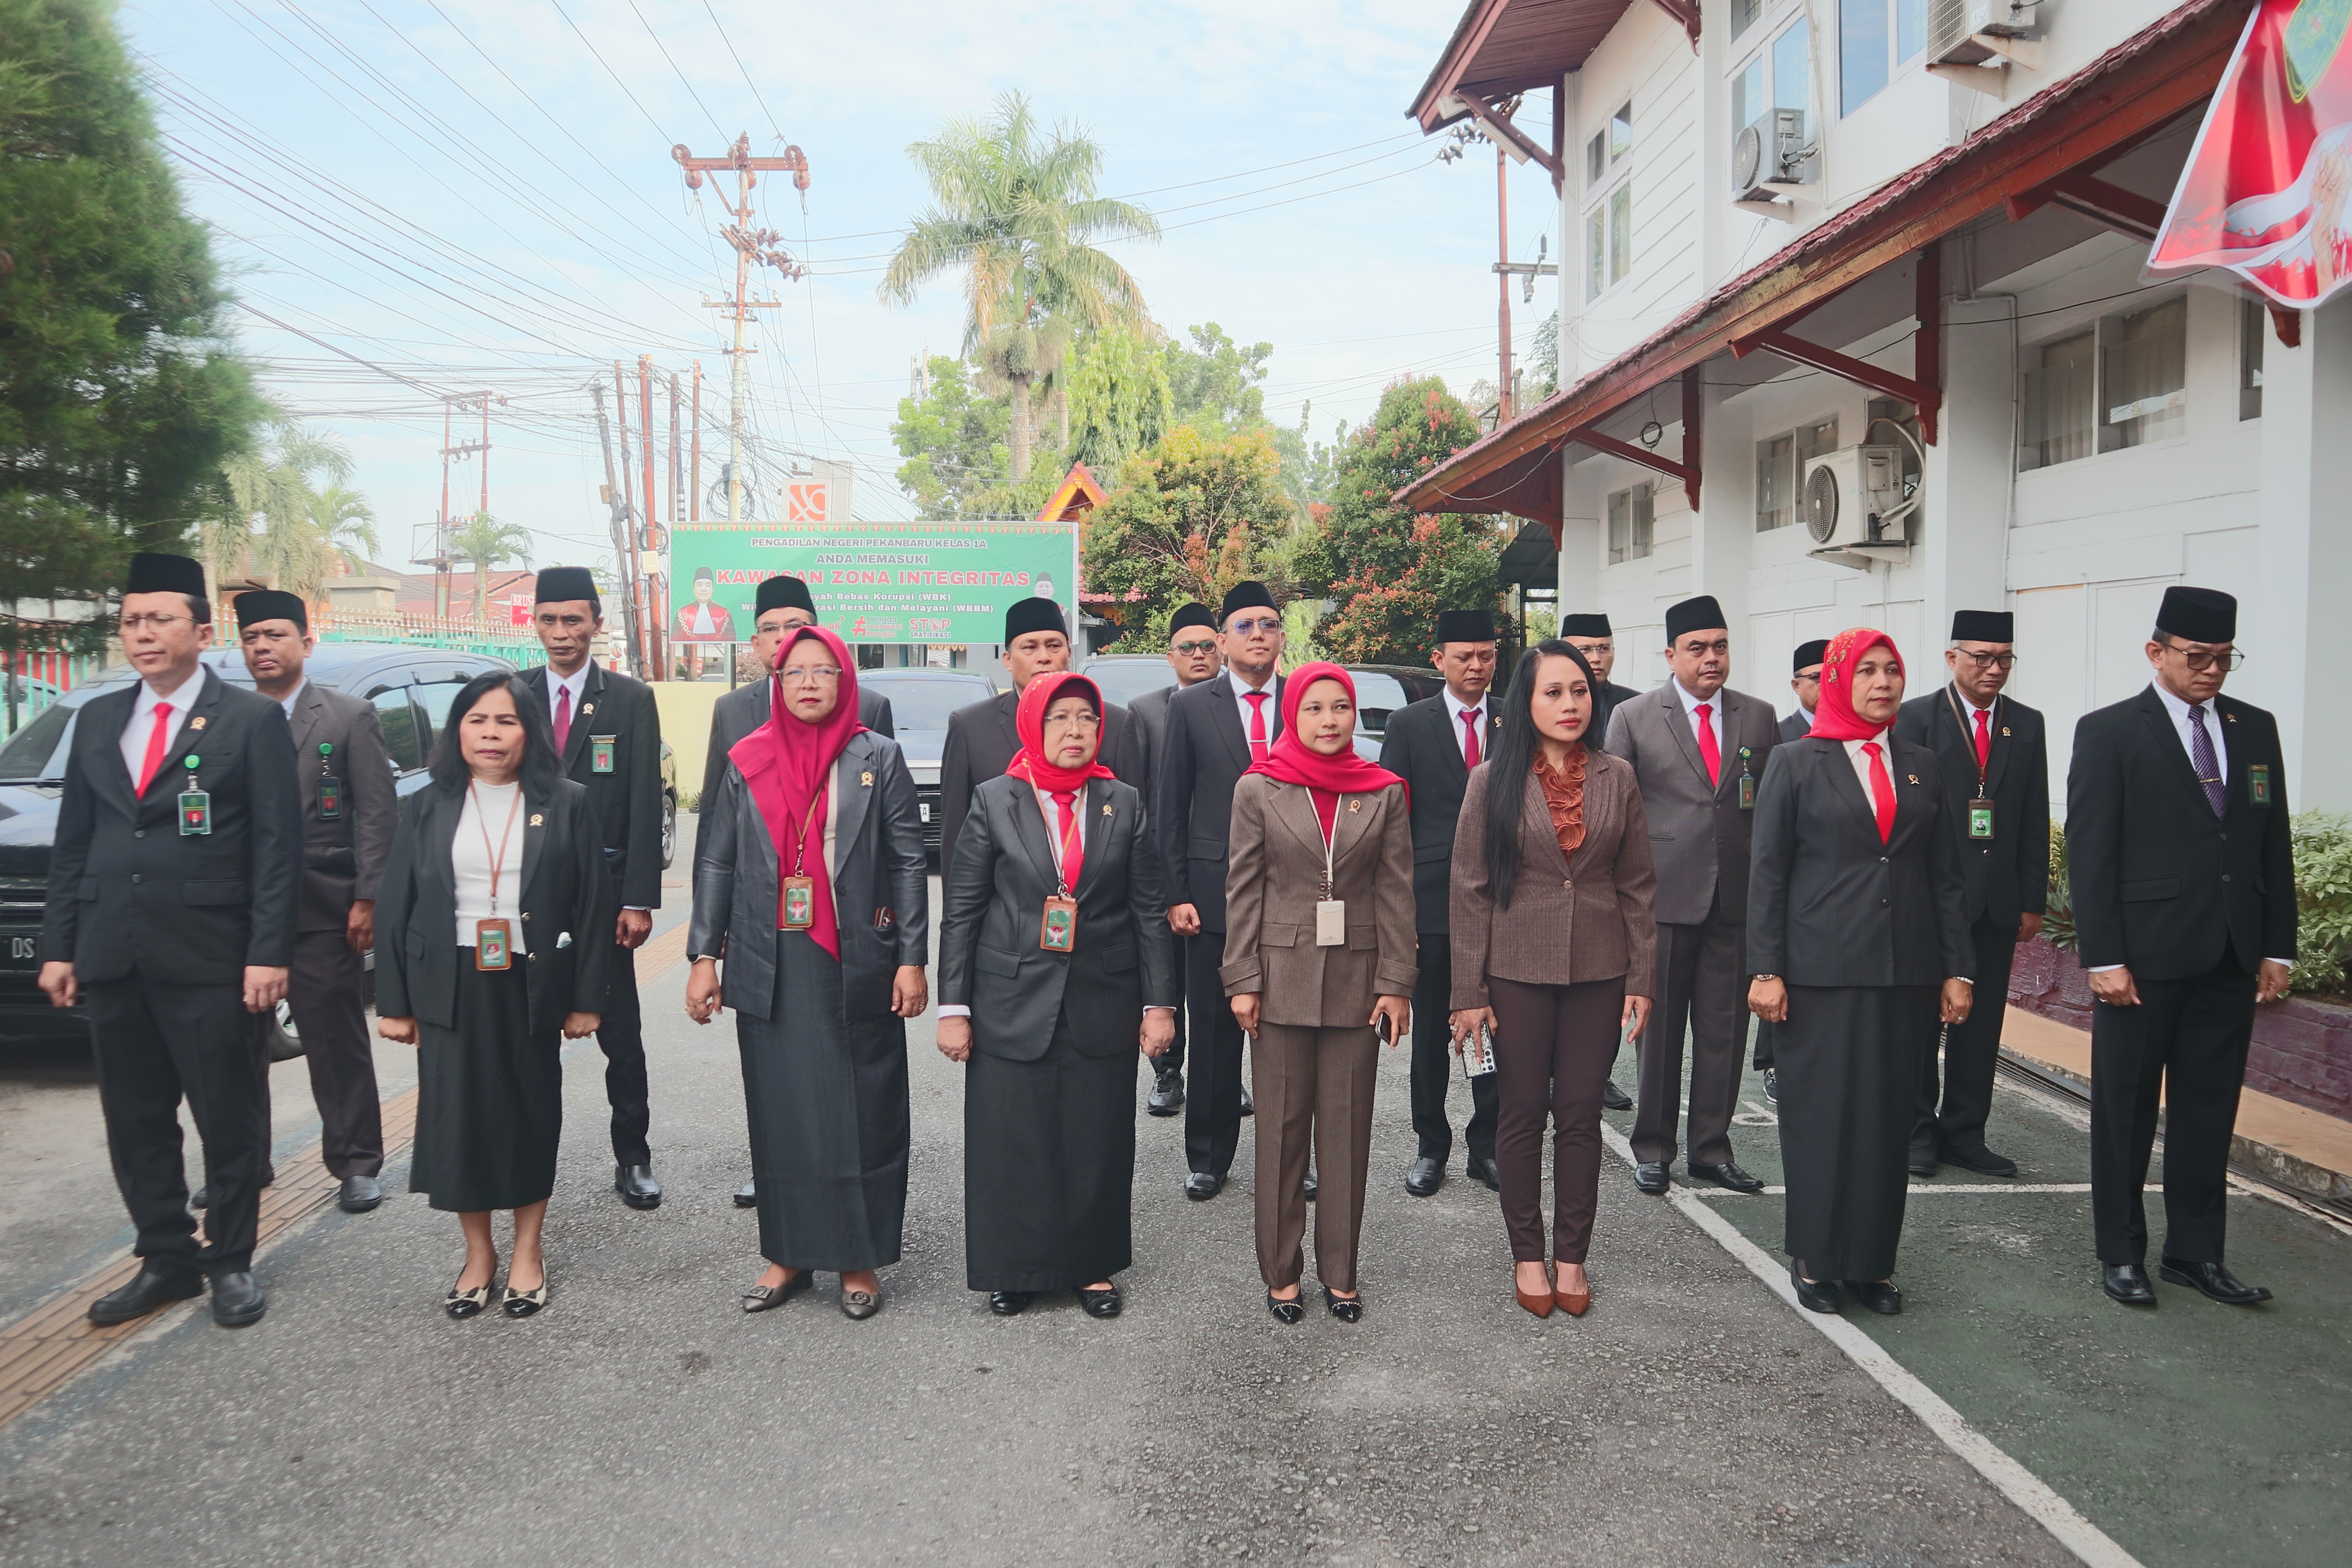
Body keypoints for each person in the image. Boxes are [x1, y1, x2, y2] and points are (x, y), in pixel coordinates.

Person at [42, 553, 299, 1330]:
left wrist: (268, 952)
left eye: (159, 619)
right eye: (131, 621)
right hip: (114, 953)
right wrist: (61, 945)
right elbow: (75, 841)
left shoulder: (248, 720)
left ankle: (230, 1260)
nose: (143, 633)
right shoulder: (98, 719)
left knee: (228, 1116)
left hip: (211, 955)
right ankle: (166, 1256)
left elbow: (277, 848)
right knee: (135, 1117)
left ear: (202, 631)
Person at [686, 626, 929, 1321]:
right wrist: (704, 956)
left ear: (845, 681)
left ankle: (857, 1258)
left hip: (856, 956)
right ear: (778, 683)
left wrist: (911, 958)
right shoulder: (748, 758)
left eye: (825, 671)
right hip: (770, 958)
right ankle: (787, 1254)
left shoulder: (877, 756)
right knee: (781, 1111)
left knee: (862, 1110)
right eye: (795, 672)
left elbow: (908, 860)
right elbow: (717, 860)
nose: (810, 683)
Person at [2066, 586, 2294, 1309]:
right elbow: (2091, 853)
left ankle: (2196, 1254)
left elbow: (2272, 841)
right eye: (2198, 657)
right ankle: (2122, 1254)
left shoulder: (2254, 728)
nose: (2212, 671)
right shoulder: (2109, 731)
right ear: (2156, 652)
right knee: (2126, 1112)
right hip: (2142, 960)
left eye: (2224, 658)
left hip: (2229, 956)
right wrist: (2103, 957)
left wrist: (2278, 944)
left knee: (2208, 1111)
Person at [936, 671, 1179, 1316]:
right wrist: (953, 1008)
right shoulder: (995, 800)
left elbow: (1148, 911)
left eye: (1087, 719)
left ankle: (1091, 1266)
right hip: (1009, 999)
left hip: (1102, 995)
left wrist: (1160, 1005)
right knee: (1011, 1137)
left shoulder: (1122, 802)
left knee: (1095, 1138)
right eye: (1060, 718)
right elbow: (962, 912)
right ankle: (1013, 1266)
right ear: (1032, 725)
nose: (1076, 731)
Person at [1747, 628, 1973, 1317]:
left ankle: (1872, 1263)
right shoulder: (1795, 762)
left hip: (1904, 971)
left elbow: (1945, 875)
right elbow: (1769, 873)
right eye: (1867, 671)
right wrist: (1766, 969)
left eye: (1892, 670)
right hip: (1818, 972)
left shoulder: (1922, 764)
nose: (1883, 682)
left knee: (1887, 1119)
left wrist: (1958, 969)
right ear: (1839, 681)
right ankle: (1818, 1257)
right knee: (1822, 1117)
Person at [373, 674, 610, 1318]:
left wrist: (588, 999)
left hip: (531, 981)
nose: (491, 734)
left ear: (529, 732)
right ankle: (478, 1254)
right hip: (449, 982)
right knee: (459, 1121)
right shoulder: (428, 803)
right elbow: (396, 902)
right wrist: (393, 1003)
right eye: (477, 720)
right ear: (458, 730)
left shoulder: (566, 802)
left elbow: (593, 907)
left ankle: (529, 1250)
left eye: (506, 721)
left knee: (529, 1113)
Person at [1448, 642, 1656, 1317]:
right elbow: (1470, 889)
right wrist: (1468, 992)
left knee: (1580, 1114)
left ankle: (1573, 1256)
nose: (1571, 704)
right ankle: (1528, 1255)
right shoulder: (1491, 782)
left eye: (1580, 691)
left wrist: (1642, 976)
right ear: (1527, 703)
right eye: (1554, 692)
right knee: (1520, 1114)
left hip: (1601, 969)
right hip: (1515, 970)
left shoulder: (1618, 777)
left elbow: (1638, 885)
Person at [1220, 663, 1414, 1322]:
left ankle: (1340, 1273)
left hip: (1358, 983)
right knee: (1280, 1134)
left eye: (1340, 708)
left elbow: (1395, 893)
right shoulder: (1259, 787)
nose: (1329, 720)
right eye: (1314, 708)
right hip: (1279, 980)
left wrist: (1397, 984)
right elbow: (1243, 890)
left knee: (1346, 1134)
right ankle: (1281, 1273)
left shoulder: (1383, 791)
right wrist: (1242, 980)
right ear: (1292, 715)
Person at [699, 573, 895, 1210]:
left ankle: (846, 1204)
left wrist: (901, 947)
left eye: (799, 629)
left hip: (844, 927)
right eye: (773, 632)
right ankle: (780, 1187)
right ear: (758, 647)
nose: (787, 644)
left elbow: (888, 842)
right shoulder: (734, 715)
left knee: (846, 1069)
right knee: (776, 1073)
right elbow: (718, 840)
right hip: (766, 927)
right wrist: (707, 945)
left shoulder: (870, 718)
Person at [1605, 595, 1779, 1195]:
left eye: (1721, 647)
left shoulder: (1759, 717)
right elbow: (1615, 814)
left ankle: (1711, 1148)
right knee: (1658, 1034)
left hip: (1734, 902)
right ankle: (1653, 1148)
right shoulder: (1634, 717)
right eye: (1698, 648)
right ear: (1671, 655)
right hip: (1661, 901)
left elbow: (1771, 811)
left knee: (1725, 1033)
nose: (1712, 658)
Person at [235, 589, 399, 1215]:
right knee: (234, 1044)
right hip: (239, 911)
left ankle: (356, 1162)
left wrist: (368, 897)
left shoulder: (347, 717)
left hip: (323, 906)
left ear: (306, 641)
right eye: (252, 638)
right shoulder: (228, 718)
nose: (263, 647)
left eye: (275, 635)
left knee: (333, 1038)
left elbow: (377, 814)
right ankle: (244, 1160)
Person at [519, 567, 666, 1210]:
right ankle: (530, 1165)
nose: (561, 633)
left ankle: (633, 1158)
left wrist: (638, 899)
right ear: (535, 624)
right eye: (549, 620)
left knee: (621, 1036)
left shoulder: (628, 699)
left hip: (603, 895)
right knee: (530, 1036)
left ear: (596, 624)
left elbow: (643, 800)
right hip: (529, 896)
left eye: (574, 620)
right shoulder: (514, 693)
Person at [1894, 611, 2049, 1178]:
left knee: (1980, 1027)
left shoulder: (2025, 723)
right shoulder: (1915, 718)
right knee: (1921, 1021)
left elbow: (2034, 815)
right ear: (1952, 658)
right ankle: (1916, 1130)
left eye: (2004, 658)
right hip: (1929, 898)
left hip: (1995, 902)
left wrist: (2032, 900)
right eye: (1981, 657)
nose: (1994, 668)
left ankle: (1964, 1133)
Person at [1157, 581, 1290, 1200]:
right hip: (1211, 894)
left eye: (1268, 624)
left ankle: (1292, 1156)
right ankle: (1209, 1156)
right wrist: (1176, 892)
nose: (1257, 634)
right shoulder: (1190, 708)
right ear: (1223, 640)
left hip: (1293, 894)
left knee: (1290, 1035)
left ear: (1281, 636)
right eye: (1244, 625)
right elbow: (1171, 805)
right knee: (1212, 1030)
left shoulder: (1304, 701)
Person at [1378, 607, 1504, 1197]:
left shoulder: (1513, 719)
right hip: (1430, 903)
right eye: (1463, 656)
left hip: (1502, 902)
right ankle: (1431, 1146)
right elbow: (1392, 820)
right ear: (1439, 660)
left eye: (1486, 655)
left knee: (1491, 1029)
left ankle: (1487, 1145)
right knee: (1430, 1033)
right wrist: (1397, 911)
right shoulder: (1408, 724)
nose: (1476, 665)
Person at [938, 598, 1144, 865]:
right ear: (1008, 660)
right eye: (1030, 647)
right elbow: (956, 833)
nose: (1044, 657)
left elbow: (1135, 825)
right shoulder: (970, 727)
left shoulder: (1114, 722)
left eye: (1054, 646)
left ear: (1069, 654)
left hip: (1096, 883)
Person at [1126, 602, 1222, 1119]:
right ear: (1171, 656)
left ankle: (1222, 1075)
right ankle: (1168, 1072)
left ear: (1222, 648)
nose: (1199, 654)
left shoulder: (1238, 706)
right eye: (1188, 647)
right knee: (1168, 975)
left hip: (1221, 867)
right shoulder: (1146, 712)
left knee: (1220, 981)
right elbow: (1138, 798)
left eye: (1208, 645)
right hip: (1164, 865)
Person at [1753, 637, 1828, 1105]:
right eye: (1815, 678)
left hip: (1830, 880)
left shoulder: (1855, 737)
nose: (1824, 686)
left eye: (1831, 676)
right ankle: (1772, 1061)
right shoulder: (1778, 735)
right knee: (1774, 969)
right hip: (1787, 872)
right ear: (1796, 685)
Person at [1561, 613, 1643, 760]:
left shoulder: (1637, 704)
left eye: (1604, 649)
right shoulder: (1546, 702)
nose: (1596, 659)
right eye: (1585, 649)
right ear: (1564, 654)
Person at [674, 565, 736, 641]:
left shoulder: (725, 614)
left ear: (713, 589)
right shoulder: (683, 613)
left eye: (708, 585)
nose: (704, 589)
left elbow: (732, 641)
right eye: (700, 585)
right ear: (694, 589)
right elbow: (675, 639)